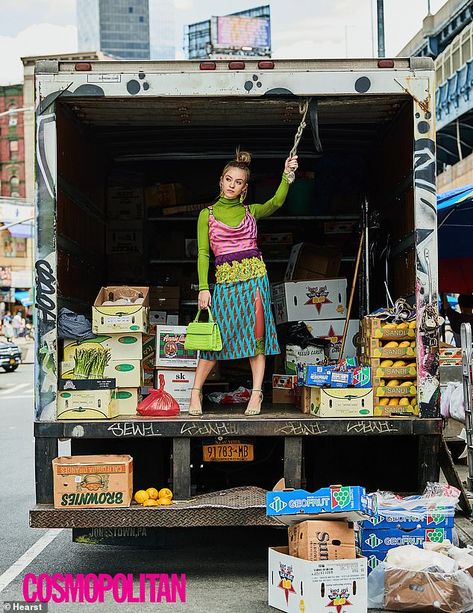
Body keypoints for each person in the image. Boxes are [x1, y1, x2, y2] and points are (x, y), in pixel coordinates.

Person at [189, 149, 298, 416]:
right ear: (221, 180)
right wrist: (204, 287)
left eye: (238, 182)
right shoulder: (207, 214)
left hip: (255, 281)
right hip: (225, 282)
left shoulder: (252, 212)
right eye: (228, 179)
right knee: (215, 338)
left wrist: (287, 175)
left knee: (256, 337)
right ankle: (195, 393)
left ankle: (257, 394)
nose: (232, 185)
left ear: (244, 188)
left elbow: (276, 202)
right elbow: (204, 253)